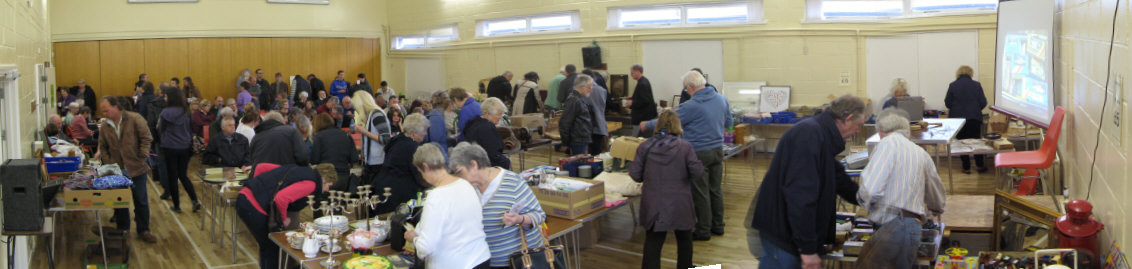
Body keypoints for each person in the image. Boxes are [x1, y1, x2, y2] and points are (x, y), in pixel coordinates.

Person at [750, 94, 866, 269]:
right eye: (858, 125)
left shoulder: (821, 134)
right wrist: (808, 249)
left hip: (792, 236)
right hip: (783, 237)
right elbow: (801, 196)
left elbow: (837, 177)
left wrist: (866, 198)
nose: (858, 131)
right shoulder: (809, 134)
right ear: (848, 119)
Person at [641, 71, 732, 241]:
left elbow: (668, 121)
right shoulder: (721, 99)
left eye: (686, 89)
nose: (686, 92)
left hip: (698, 153)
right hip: (718, 150)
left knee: (700, 192)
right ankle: (718, 226)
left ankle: (703, 230)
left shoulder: (692, 106)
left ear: (690, 87)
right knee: (715, 190)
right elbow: (729, 123)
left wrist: (647, 124)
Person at [855, 108, 947, 269]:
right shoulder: (921, 154)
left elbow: (870, 190)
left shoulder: (886, 144)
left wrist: (864, 203)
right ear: (907, 132)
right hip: (912, 228)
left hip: (893, 225)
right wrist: (935, 210)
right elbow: (937, 198)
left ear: (881, 131)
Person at [449, 142, 546, 268]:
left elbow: (539, 215)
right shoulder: (467, 189)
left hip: (520, 262)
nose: (459, 178)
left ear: (473, 165)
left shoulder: (512, 182)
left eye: (459, 172)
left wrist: (520, 219)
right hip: (486, 262)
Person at [631, 109, 703, 269]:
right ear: (678, 125)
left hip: (654, 201)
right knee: (685, 238)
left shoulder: (645, 146)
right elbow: (697, 172)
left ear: (658, 125)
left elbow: (635, 174)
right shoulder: (685, 147)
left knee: (653, 241)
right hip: (680, 201)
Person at [404, 143, 492, 269]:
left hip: (455, 263)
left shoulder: (436, 196)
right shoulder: (465, 184)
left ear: (425, 167)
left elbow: (426, 247)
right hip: (480, 258)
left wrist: (414, 238)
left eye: (420, 172)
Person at [237, 163, 337, 269]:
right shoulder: (311, 184)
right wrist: (283, 219)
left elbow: (260, 167)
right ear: (323, 178)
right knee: (273, 249)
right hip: (255, 207)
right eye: (328, 185)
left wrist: (259, 187)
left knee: (266, 246)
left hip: (244, 197)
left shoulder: (296, 169)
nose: (327, 190)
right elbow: (281, 198)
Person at [95, 96, 157, 243]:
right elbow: (102, 147)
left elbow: (146, 138)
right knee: (119, 201)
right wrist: (109, 162)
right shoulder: (105, 126)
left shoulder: (135, 119)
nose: (104, 114)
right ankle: (123, 228)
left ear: (116, 107)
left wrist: (141, 155)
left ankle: (143, 230)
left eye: (107, 110)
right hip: (117, 170)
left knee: (141, 200)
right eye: (103, 111)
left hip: (137, 168)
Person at [368, 114, 430, 214]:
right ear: (414, 133)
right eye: (424, 130)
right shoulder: (411, 147)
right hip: (398, 193)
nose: (426, 133)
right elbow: (418, 174)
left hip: (385, 188)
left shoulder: (397, 140)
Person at [158, 87, 201, 213]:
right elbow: (190, 129)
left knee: (172, 177)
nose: (164, 98)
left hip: (170, 147)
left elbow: (161, 130)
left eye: (166, 96)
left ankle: (177, 205)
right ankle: (195, 200)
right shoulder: (186, 111)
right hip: (185, 146)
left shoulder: (165, 113)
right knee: (183, 175)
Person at [945, 65, 989, 174]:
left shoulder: (953, 85)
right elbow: (983, 102)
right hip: (974, 118)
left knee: (961, 143)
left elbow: (948, 103)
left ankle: (966, 167)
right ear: (971, 73)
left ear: (958, 73)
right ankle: (980, 166)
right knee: (977, 142)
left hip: (957, 120)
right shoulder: (977, 85)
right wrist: (975, 109)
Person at [461, 97, 512, 170]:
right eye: (498, 114)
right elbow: (493, 155)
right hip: (485, 168)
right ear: (488, 114)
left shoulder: (475, 123)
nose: (501, 117)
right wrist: (507, 162)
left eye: (502, 114)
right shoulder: (487, 128)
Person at [311, 113, 359, 188]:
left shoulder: (318, 137)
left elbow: (314, 159)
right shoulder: (345, 135)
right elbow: (354, 158)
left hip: (326, 176)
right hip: (344, 176)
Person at [353, 91, 392, 176]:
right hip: (372, 162)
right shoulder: (371, 115)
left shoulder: (377, 115)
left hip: (378, 163)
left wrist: (364, 131)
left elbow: (385, 139)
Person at [559, 75, 596, 155]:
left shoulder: (579, 99)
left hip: (581, 139)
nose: (591, 90)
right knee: (579, 165)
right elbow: (565, 122)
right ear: (582, 87)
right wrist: (565, 142)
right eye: (589, 87)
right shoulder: (574, 100)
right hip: (577, 140)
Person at [583, 69, 609, 155]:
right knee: (597, 153)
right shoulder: (602, 90)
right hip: (600, 124)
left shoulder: (583, 90)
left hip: (587, 125)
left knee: (584, 155)